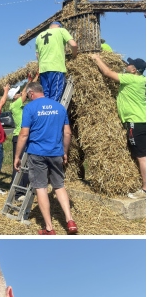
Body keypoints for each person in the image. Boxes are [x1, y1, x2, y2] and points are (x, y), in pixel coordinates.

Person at [15, 81, 77, 235]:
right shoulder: (59, 107)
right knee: (59, 186)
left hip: (37, 153)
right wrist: (65, 151)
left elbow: (24, 134)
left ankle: (49, 228)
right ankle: (70, 221)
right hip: (56, 152)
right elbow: (68, 133)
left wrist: (17, 156)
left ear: (31, 93)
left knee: (41, 188)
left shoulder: (30, 108)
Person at [90, 54, 146, 198]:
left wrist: (97, 58)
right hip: (143, 120)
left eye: (129, 65)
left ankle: (145, 189)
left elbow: (108, 73)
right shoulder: (142, 80)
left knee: (142, 156)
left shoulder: (131, 79)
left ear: (134, 70)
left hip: (135, 121)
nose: (126, 66)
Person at [34, 21, 78, 102]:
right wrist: (74, 56)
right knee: (55, 98)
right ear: (58, 26)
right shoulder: (61, 30)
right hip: (56, 67)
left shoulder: (39, 36)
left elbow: (37, 56)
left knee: (45, 96)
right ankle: (54, 114)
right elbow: (74, 45)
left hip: (43, 70)